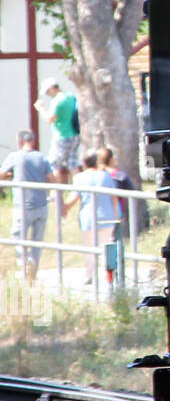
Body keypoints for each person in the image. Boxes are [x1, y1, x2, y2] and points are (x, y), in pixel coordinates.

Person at [0, 130, 53, 281]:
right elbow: (51, 179)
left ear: (20, 141)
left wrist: (11, 175)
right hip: (41, 205)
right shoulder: (42, 158)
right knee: (37, 241)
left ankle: (24, 264)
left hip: (22, 205)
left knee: (17, 237)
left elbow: (1, 175)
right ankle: (33, 270)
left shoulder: (14, 157)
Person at [64, 152, 120, 285]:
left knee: (89, 249)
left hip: (88, 218)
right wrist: (116, 214)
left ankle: (89, 275)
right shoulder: (105, 176)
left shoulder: (79, 178)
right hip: (106, 216)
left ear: (83, 163)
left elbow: (74, 197)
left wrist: (64, 208)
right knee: (108, 248)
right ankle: (111, 276)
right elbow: (114, 197)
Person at [34, 77, 80, 184]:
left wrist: (40, 108)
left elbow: (49, 118)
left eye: (47, 92)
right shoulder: (70, 96)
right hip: (74, 134)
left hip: (61, 136)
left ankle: (56, 194)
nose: (47, 94)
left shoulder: (57, 101)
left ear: (52, 89)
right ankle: (79, 191)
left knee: (55, 165)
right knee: (73, 164)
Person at [97, 147, 134, 239]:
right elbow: (131, 193)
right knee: (115, 243)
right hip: (115, 214)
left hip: (95, 214)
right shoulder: (120, 176)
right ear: (111, 160)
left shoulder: (92, 176)